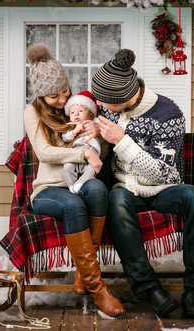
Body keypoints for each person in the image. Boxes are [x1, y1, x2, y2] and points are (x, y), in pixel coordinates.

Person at [91, 48, 194, 318]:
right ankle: (150, 288)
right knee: (115, 199)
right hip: (124, 191)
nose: (101, 105)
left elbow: (159, 172)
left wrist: (121, 141)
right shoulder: (107, 111)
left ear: (122, 98)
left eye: (105, 101)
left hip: (163, 190)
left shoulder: (168, 114)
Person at [25, 43, 125, 318]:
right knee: (72, 204)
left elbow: (99, 154)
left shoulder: (80, 107)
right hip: (49, 190)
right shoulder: (32, 113)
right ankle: (97, 287)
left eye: (64, 92)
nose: (61, 100)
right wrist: (82, 152)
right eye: (53, 96)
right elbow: (43, 152)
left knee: (97, 189)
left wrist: (98, 135)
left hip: (83, 179)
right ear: (40, 95)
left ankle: (83, 273)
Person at [62, 90, 101, 194]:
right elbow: (65, 137)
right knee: (67, 167)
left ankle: (80, 183)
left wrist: (98, 127)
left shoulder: (95, 122)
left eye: (80, 111)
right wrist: (74, 131)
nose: (76, 115)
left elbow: (104, 127)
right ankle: (71, 186)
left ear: (91, 115)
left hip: (92, 152)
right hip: (76, 153)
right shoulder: (71, 125)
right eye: (72, 112)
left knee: (90, 169)